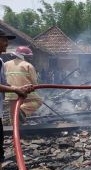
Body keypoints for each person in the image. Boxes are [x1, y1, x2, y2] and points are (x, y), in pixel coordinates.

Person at [0, 28, 33, 167]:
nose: (7, 43)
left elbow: (3, 83)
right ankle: (22, 112)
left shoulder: (2, 61)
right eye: (4, 39)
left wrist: (18, 89)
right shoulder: (28, 65)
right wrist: (15, 89)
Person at [4, 46, 42, 123]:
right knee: (38, 101)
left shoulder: (5, 64)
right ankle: (21, 110)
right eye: (28, 57)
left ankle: (14, 130)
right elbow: (34, 82)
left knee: (13, 114)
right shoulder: (28, 65)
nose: (29, 58)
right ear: (23, 56)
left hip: (10, 92)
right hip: (25, 91)